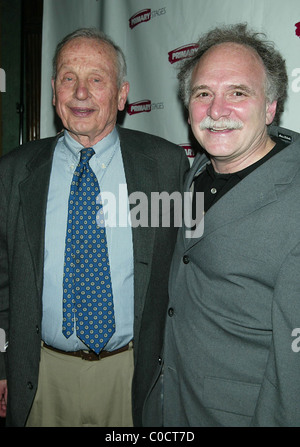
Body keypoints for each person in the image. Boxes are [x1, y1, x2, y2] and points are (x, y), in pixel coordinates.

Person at [0, 28, 189, 427]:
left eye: (96, 79)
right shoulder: (15, 171)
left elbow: (184, 270)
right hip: (41, 373)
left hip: (132, 375)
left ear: (121, 95)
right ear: (54, 92)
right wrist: (3, 361)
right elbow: (1, 275)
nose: (80, 93)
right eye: (69, 78)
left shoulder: (164, 167)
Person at [143, 23, 300, 427]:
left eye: (237, 92)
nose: (216, 111)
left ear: (270, 106)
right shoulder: (194, 171)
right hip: (169, 405)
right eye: (203, 94)